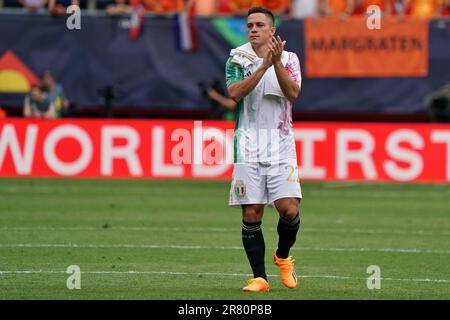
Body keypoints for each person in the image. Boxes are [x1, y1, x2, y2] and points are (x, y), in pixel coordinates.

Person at [226, 6, 303, 292]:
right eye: (249, 25)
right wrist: (262, 67)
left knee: (289, 210)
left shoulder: (291, 58)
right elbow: (235, 93)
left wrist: (276, 62)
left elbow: (293, 93)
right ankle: (260, 277)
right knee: (251, 214)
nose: (253, 29)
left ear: (273, 30)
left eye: (259, 25)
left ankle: (283, 256)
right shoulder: (237, 57)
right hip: (247, 147)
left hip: (281, 146)